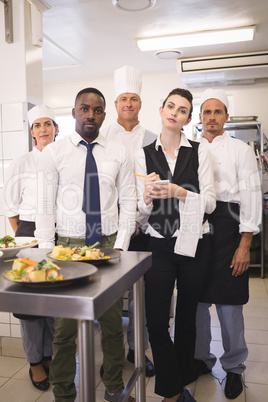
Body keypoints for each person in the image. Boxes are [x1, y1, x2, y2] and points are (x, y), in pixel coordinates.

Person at [35, 87, 137, 402]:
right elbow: (44, 206)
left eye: (97, 110)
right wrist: (44, 252)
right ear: (74, 112)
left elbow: (129, 201)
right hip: (66, 245)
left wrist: (120, 245)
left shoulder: (119, 151)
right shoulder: (54, 153)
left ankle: (114, 388)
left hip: (107, 245)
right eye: (84, 108)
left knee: (110, 324)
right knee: (65, 330)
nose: (90, 115)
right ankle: (64, 393)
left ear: (104, 114)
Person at [134, 88, 216, 402]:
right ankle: (172, 391)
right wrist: (147, 197)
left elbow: (208, 203)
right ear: (161, 109)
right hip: (159, 243)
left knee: (187, 318)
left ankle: (181, 380)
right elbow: (140, 210)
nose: (175, 113)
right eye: (171, 106)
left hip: (196, 242)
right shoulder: (142, 153)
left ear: (188, 118)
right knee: (156, 319)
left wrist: (178, 191)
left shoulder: (199, 152)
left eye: (182, 110)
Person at [194, 88, 262, 400]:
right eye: (206, 112)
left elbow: (250, 198)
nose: (211, 117)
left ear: (226, 117)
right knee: (196, 302)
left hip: (229, 230)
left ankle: (234, 367)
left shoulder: (240, 151)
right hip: (196, 230)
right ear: (199, 118)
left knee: (230, 304)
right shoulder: (189, 149)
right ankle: (201, 360)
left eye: (217, 112)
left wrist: (244, 244)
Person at [101, 65, 156, 377]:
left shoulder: (151, 139)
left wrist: (136, 219)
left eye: (133, 98)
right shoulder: (102, 136)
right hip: (109, 230)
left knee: (142, 298)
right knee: (108, 297)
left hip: (144, 228)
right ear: (116, 103)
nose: (128, 104)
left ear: (139, 104)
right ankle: (111, 355)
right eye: (123, 98)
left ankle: (138, 349)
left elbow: (150, 184)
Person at [4, 104, 59, 391]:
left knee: (53, 301)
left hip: (60, 235)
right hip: (28, 234)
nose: (43, 129)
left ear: (56, 128)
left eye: (47, 123)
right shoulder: (21, 163)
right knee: (29, 306)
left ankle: (49, 355)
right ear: (31, 132)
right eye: (37, 125)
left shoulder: (65, 159)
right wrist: (26, 239)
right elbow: (10, 208)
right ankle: (35, 362)